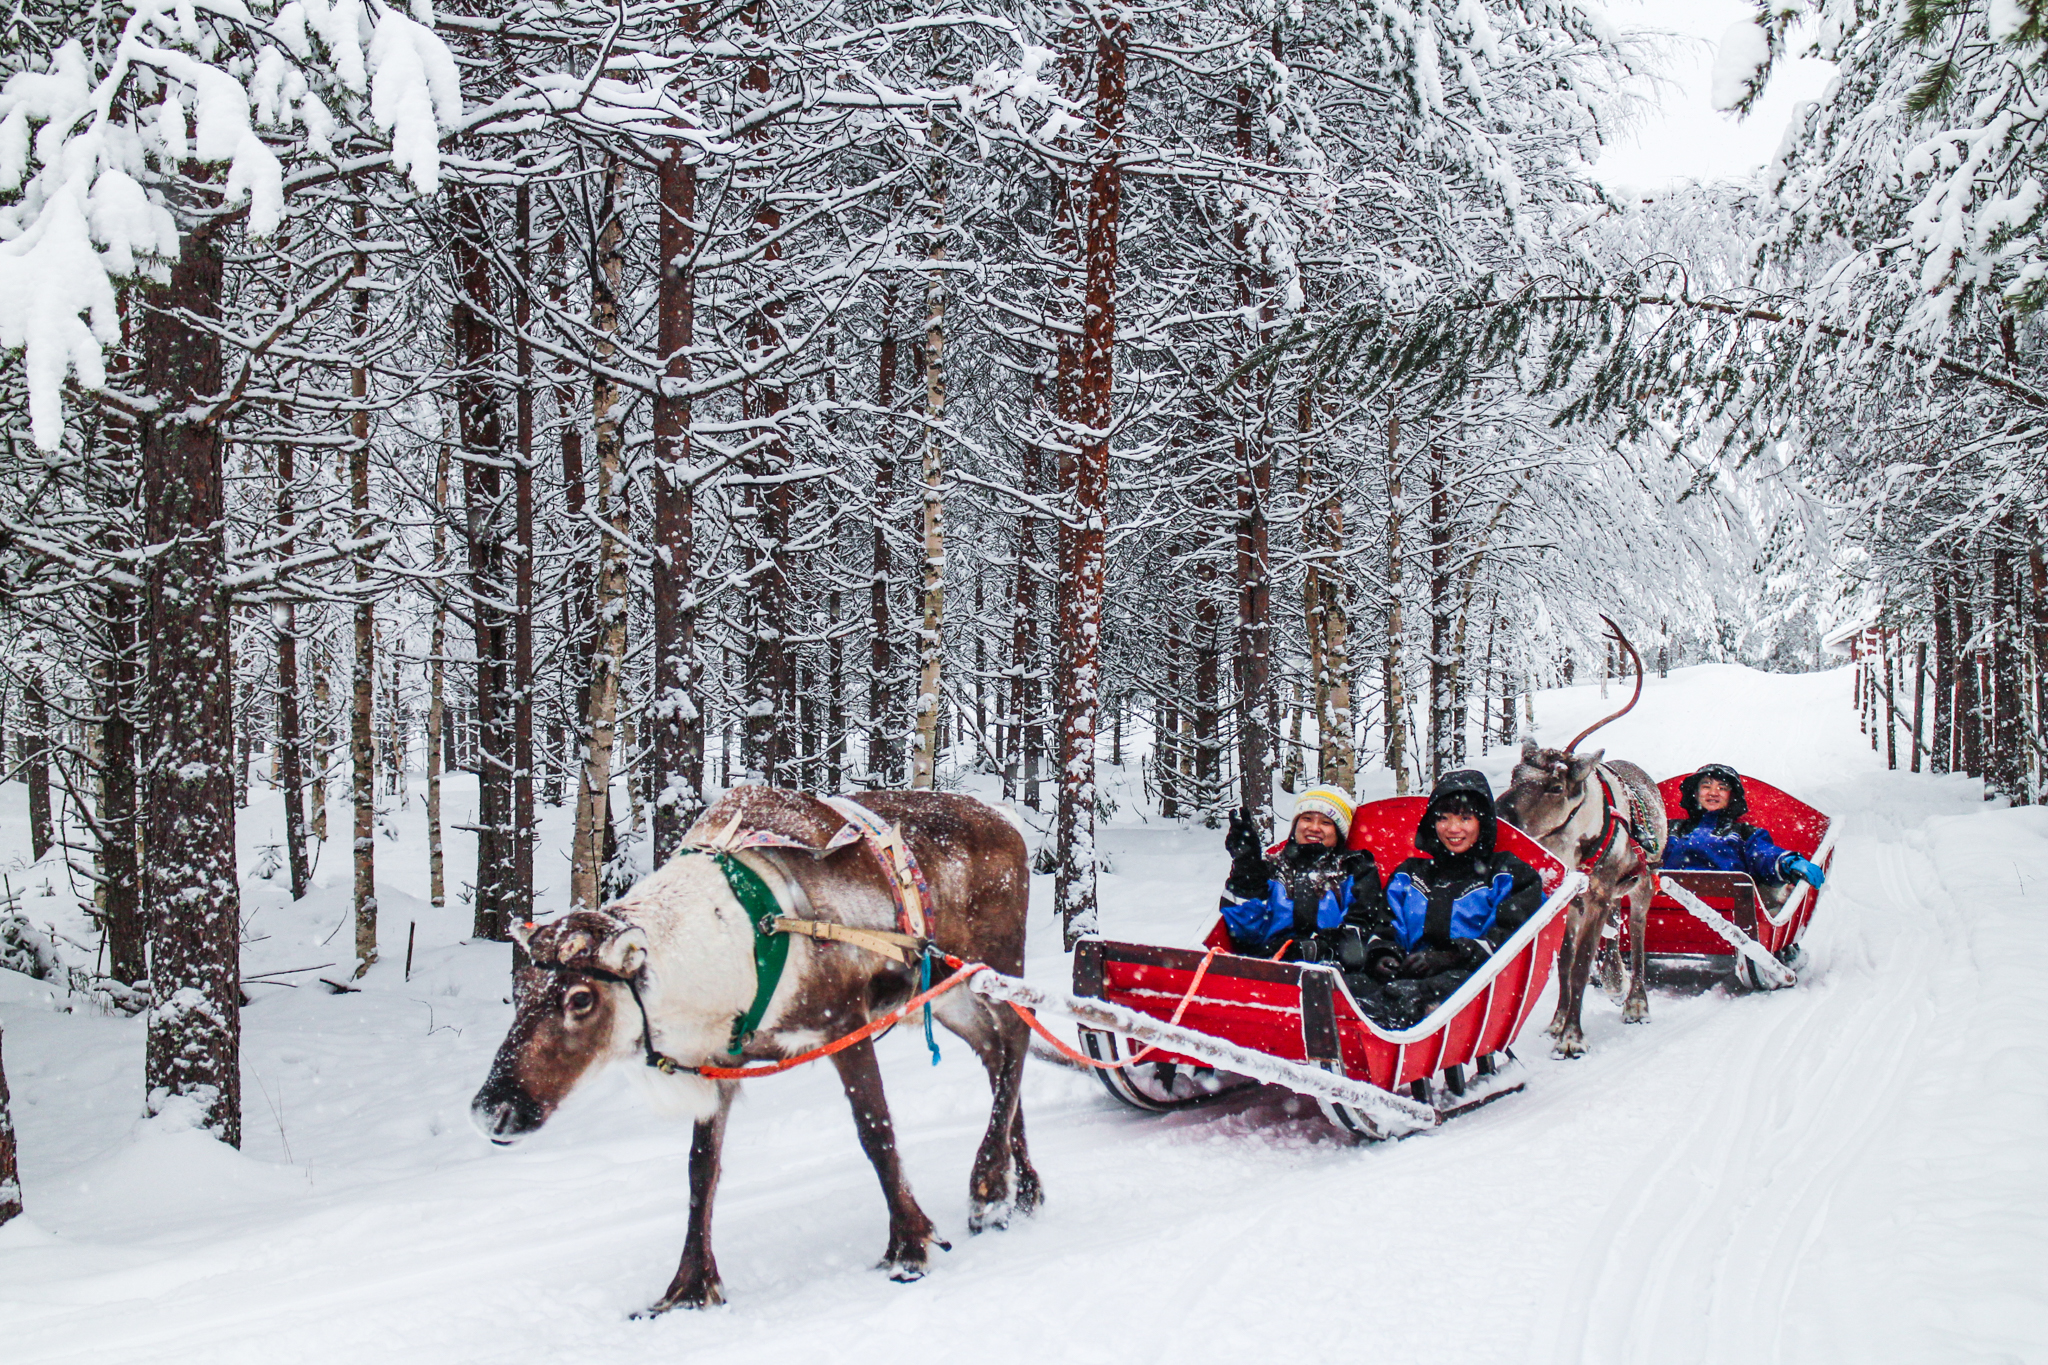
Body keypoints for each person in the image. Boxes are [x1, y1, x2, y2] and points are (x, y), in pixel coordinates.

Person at [1339, 769, 1544, 1029]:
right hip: (1408, 973)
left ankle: (1378, 1031)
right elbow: (1387, 926)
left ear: (1482, 822)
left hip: (1475, 982)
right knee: (1347, 987)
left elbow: (1508, 940)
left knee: (1416, 994)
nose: (1453, 828)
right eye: (1443, 818)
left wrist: (1449, 957)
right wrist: (1383, 956)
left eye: (1465, 818)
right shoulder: (1410, 873)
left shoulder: (1507, 873)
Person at [1219, 787, 1386, 962]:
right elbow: (1243, 932)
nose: (1314, 828)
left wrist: (1317, 948)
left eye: (1326, 822)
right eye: (1307, 819)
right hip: (1269, 966)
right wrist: (1246, 865)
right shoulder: (1271, 869)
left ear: (1338, 832)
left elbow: (1358, 933)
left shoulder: (1355, 869)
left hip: (1333, 970)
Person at [1663, 764, 1826, 891]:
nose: (1713, 792)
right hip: (1665, 905)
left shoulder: (1745, 833)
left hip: (1727, 910)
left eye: (1722, 788)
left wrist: (1787, 862)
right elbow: (1645, 854)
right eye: (1706, 786)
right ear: (1696, 793)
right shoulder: (1671, 829)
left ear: (1731, 797)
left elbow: (1764, 854)